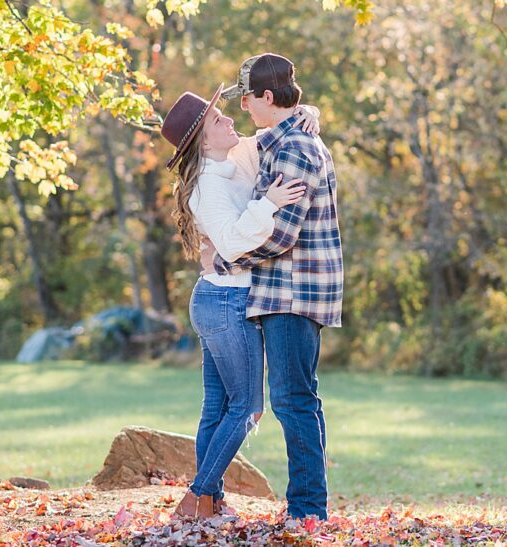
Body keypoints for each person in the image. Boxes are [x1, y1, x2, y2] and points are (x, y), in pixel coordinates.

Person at [160, 83, 320, 519]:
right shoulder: (208, 186)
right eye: (217, 119)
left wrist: (309, 111)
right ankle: (197, 496)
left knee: (217, 406)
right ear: (202, 139)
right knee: (247, 408)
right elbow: (229, 244)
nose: (230, 119)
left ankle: (209, 502)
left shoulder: (233, 157)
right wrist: (268, 203)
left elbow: (281, 125)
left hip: (220, 298)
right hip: (226, 303)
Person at [203, 53, 343, 520]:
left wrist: (226, 259)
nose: (242, 107)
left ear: (266, 96)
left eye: (247, 97)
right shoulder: (279, 141)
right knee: (295, 396)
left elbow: (282, 233)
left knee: (292, 399)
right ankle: (306, 506)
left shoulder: (296, 149)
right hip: (280, 290)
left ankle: (307, 510)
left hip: (294, 290)